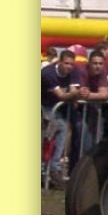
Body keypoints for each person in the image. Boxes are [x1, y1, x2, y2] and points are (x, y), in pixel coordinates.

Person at [41, 49, 81, 188]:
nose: (69, 67)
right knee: (54, 131)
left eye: (71, 64)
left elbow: (72, 91)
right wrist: (77, 94)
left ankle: (53, 168)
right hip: (44, 106)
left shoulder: (74, 72)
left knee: (64, 129)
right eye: (66, 63)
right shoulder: (48, 73)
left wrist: (74, 94)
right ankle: (48, 169)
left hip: (58, 108)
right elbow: (62, 96)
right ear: (59, 62)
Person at [70, 50, 108, 174]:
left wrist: (90, 96)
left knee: (96, 140)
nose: (98, 66)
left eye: (100, 63)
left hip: (92, 109)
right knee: (81, 139)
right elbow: (78, 92)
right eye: (95, 63)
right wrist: (91, 95)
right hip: (76, 109)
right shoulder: (80, 70)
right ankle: (75, 171)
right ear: (89, 63)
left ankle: (90, 171)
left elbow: (105, 95)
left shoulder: (102, 72)